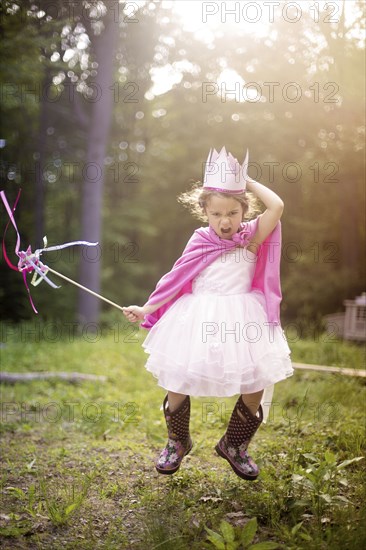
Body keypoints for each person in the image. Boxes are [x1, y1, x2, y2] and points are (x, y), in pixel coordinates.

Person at [122, 147, 293, 481]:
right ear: (204, 212)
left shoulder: (252, 238)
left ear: (245, 209)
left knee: (256, 378)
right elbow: (175, 278)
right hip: (197, 315)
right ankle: (177, 440)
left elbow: (278, 206)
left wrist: (246, 181)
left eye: (232, 212)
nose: (225, 221)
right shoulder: (200, 240)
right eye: (216, 214)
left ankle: (235, 445)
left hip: (244, 317)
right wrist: (146, 308)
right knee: (177, 376)